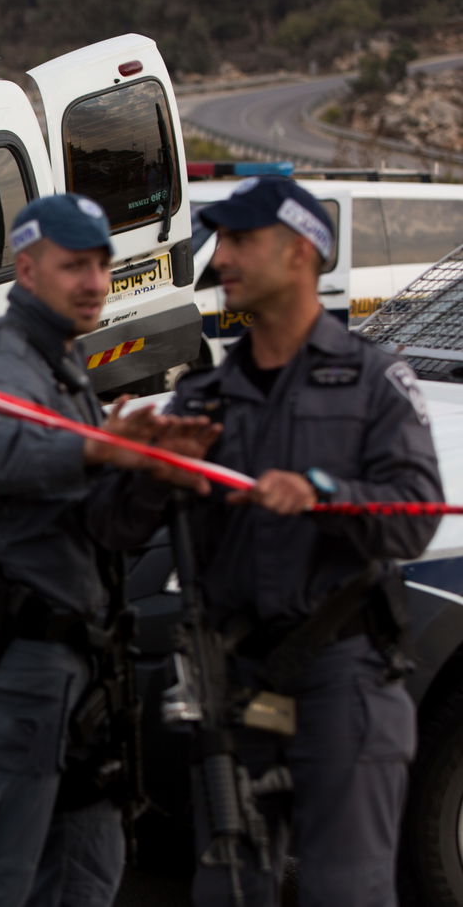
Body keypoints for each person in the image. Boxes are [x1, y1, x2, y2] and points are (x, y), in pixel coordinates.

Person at [94, 175, 442, 906]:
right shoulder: (203, 397)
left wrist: (324, 495)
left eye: (241, 240)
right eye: (219, 240)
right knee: (229, 889)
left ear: (301, 254)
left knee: (344, 889)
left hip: (343, 676)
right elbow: (118, 529)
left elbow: (414, 518)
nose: (221, 258)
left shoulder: (375, 382)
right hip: (235, 680)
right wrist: (150, 470)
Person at [0, 194, 217, 906]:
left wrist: (153, 476)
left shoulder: (65, 370)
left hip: (85, 674)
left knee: (83, 874)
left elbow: (101, 526)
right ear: (28, 269)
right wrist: (104, 445)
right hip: (13, 665)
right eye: (75, 265)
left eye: (103, 263)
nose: (96, 281)